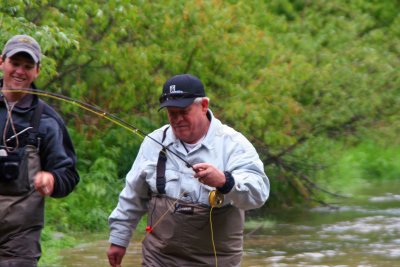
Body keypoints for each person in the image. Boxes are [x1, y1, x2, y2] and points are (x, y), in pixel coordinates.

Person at [107, 74, 269, 267]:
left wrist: (225, 181)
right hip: (159, 258)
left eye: (183, 111)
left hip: (216, 261)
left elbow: (259, 194)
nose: (177, 119)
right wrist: (119, 239)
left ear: (204, 105)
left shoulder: (234, 144)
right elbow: (133, 196)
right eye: (171, 113)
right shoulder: (154, 142)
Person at [0, 34, 80, 266]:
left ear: (37, 71)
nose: (20, 72)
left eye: (28, 66)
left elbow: (69, 175)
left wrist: (53, 180)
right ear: (2, 62)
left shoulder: (47, 120)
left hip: (20, 240)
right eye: (15, 64)